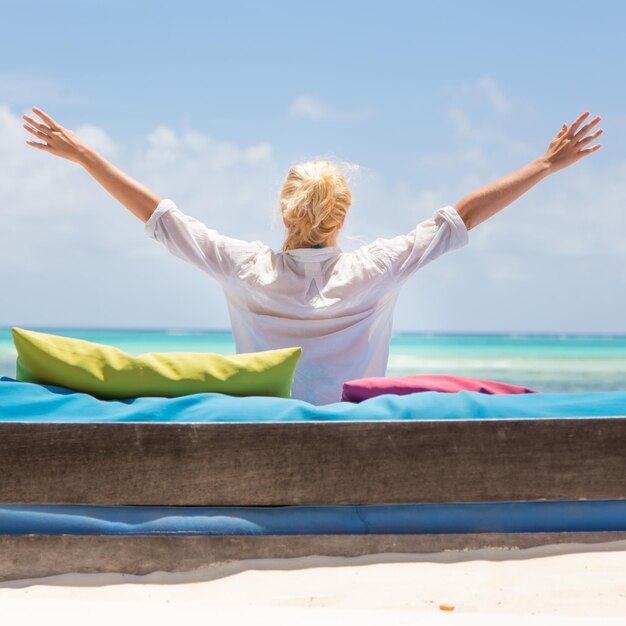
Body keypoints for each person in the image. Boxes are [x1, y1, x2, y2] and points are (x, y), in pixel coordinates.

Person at [23, 107, 602, 404]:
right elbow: (461, 216)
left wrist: (84, 156)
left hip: (268, 435)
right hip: (353, 438)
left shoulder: (245, 269)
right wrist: (545, 165)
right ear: (342, 216)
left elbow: (159, 216)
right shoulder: (376, 269)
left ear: (284, 212)